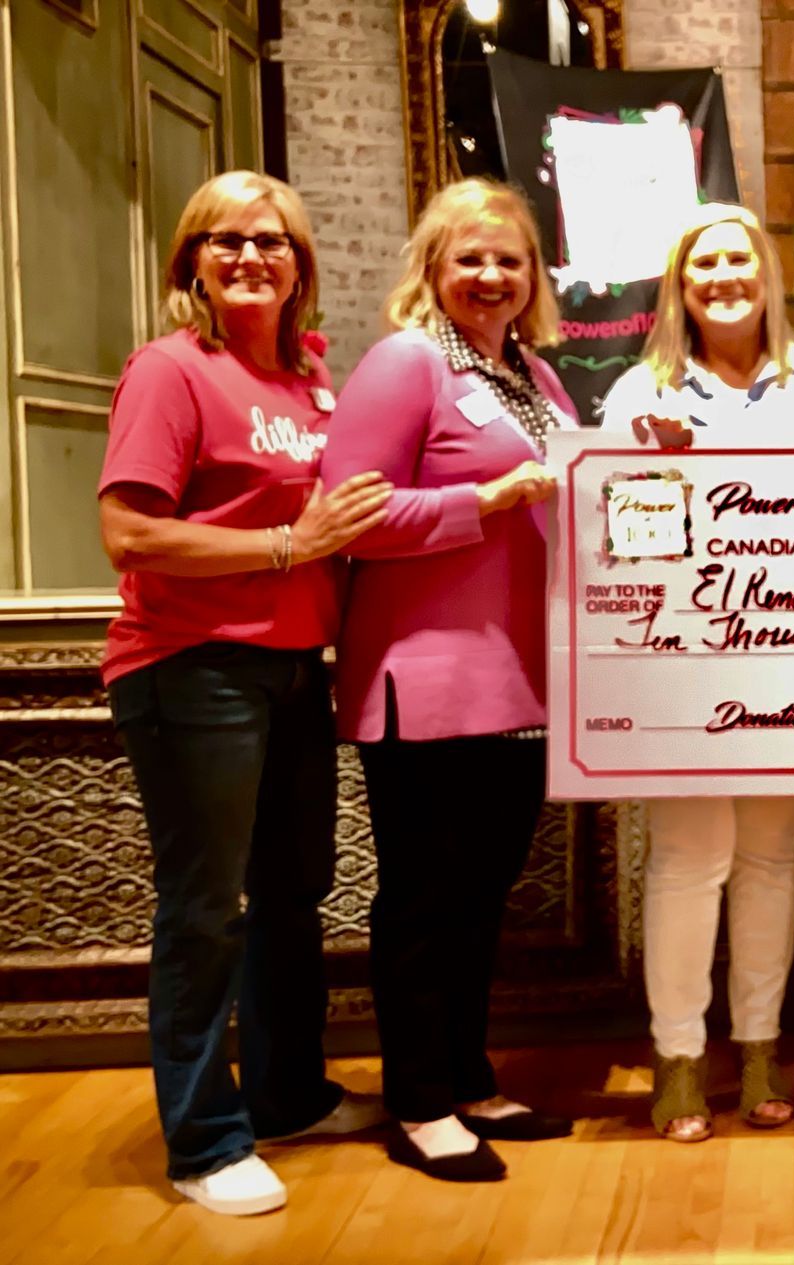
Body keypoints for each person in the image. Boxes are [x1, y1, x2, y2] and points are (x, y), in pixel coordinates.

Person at [97, 171, 392, 1216]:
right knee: (206, 909)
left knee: (293, 893)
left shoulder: (311, 381)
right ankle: (205, 1136)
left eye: (269, 241)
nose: (247, 256)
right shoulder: (173, 371)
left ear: (301, 263)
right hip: (192, 666)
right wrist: (288, 542)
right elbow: (130, 531)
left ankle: (286, 1092)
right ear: (192, 263)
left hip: (291, 670)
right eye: (222, 241)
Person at [319, 178, 578, 1182]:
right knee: (425, 901)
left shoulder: (540, 382)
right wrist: (486, 496)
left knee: (481, 898)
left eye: (508, 259)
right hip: (422, 683)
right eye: (469, 256)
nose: (490, 275)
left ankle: (469, 1075)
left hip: (521, 686)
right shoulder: (407, 362)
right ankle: (420, 1098)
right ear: (431, 266)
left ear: (532, 279)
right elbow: (351, 515)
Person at [600, 203, 794, 1142]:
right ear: (680, 284)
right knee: (689, 858)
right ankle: (675, 1057)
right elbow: (622, 541)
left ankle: (757, 1048)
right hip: (683, 659)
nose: (723, 275)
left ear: (767, 273)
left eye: (739, 257)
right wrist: (650, 471)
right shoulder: (638, 393)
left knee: (770, 856)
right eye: (702, 263)